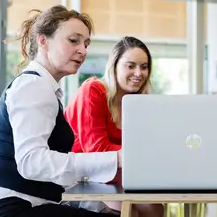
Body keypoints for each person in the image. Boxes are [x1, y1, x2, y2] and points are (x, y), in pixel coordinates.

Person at [0, 5, 121, 217]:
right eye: (73, 40)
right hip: (10, 207)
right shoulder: (33, 86)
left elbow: (54, 176)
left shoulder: (43, 88)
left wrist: (98, 208)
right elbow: (32, 161)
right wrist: (117, 158)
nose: (83, 50)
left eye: (86, 43)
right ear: (43, 40)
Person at [64, 36, 164, 217]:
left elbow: (146, 148)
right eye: (130, 65)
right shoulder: (93, 90)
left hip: (119, 179)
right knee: (129, 210)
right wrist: (144, 158)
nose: (139, 73)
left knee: (154, 208)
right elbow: (97, 151)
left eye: (144, 66)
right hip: (81, 179)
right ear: (114, 66)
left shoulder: (138, 103)